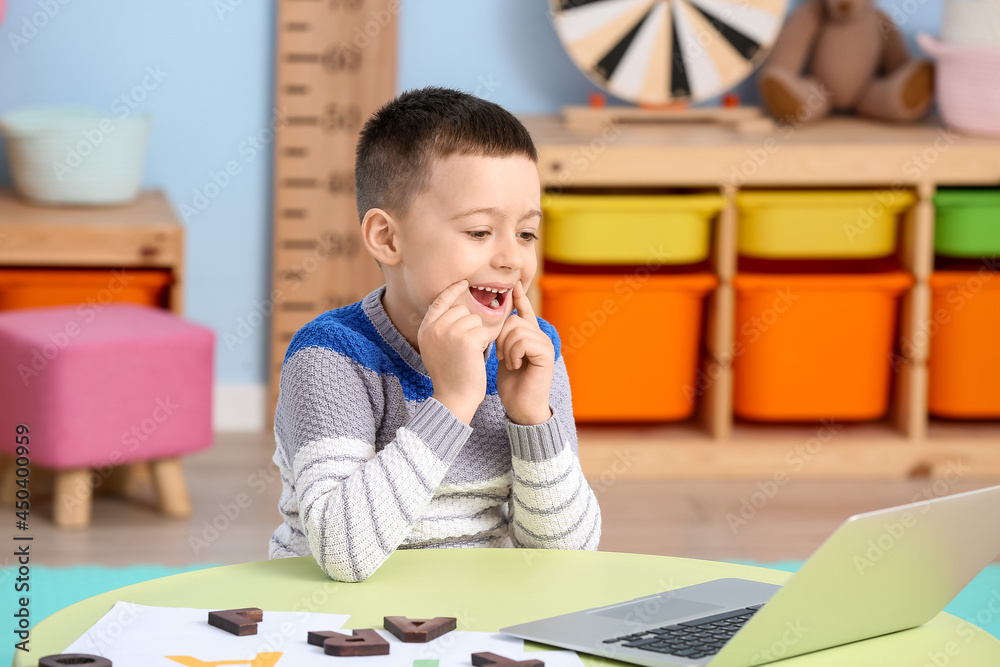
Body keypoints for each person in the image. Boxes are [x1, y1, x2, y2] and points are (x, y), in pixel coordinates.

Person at [268, 85, 601, 582]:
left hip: (477, 616)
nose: (511, 257)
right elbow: (342, 555)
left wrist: (533, 419)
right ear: (387, 237)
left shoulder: (531, 352)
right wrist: (451, 403)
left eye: (526, 233)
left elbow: (568, 556)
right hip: (339, 621)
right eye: (479, 232)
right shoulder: (330, 357)